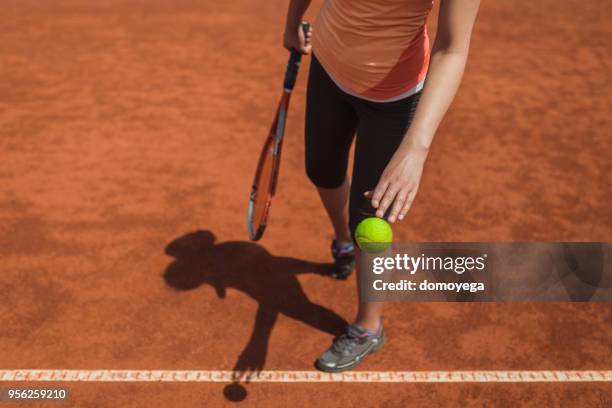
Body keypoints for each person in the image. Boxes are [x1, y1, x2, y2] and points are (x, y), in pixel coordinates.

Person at [283, 0, 480, 372]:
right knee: (321, 171)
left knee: (370, 223)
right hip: (329, 67)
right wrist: (293, 23)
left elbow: (452, 47)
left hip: (394, 96)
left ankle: (368, 327)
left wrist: (416, 148)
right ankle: (342, 243)